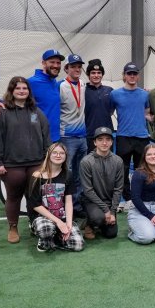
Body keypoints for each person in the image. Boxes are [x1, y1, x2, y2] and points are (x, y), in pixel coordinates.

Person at [0, 76, 50, 243]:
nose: (22, 91)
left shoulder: (36, 112)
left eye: (25, 88)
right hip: (11, 164)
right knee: (13, 197)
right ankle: (13, 227)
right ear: (12, 91)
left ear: (29, 91)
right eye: (18, 88)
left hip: (36, 162)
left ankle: (34, 223)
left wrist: (47, 159)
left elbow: (46, 136)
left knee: (34, 197)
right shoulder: (0, 112)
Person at [26, 143, 85, 252]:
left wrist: (68, 223)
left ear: (66, 156)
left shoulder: (68, 175)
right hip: (43, 217)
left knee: (78, 245)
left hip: (61, 216)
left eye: (62, 153)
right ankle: (44, 236)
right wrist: (58, 222)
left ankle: (54, 239)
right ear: (48, 155)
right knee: (46, 229)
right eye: (55, 153)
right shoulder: (37, 176)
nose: (58, 155)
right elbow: (35, 204)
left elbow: (68, 202)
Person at [111, 62, 151, 211]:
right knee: (123, 170)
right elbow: (108, 111)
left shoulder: (144, 94)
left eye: (134, 74)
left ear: (138, 76)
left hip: (141, 137)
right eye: (129, 73)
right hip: (123, 137)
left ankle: (141, 197)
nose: (132, 76)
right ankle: (126, 199)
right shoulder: (115, 94)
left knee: (143, 170)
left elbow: (147, 112)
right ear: (124, 76)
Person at [79, 127, 123, 239]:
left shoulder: (118, 161)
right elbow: (88, 191)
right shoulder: (86, 162)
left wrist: (112, 211)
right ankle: (91, 222)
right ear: (94, 142)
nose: (104, 142)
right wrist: (106, 210)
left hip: (109, 202)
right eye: (100, 139)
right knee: (98, 218)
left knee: (111, 234)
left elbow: (118, 188)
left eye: (108, 139)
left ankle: (97, 221)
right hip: (91, 201)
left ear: (112, 142)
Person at [59, 54, 88, 211]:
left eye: (79, 66)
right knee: (67, 174)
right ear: (66, 68)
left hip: (82, 137)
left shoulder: (83, 84)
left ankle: (77, 207)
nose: (77, 69)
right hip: (67, 138)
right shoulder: (61, 86)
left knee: (80, 173)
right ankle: (63, 206)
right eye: (73, 66)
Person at [84, 59, 114, 153]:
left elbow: (111, 110)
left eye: (99, 72)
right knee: (90, 163)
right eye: (93, 73)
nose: (96, 75)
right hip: (89, 134)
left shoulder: (109, 90)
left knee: (108, 162)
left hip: (107, 134)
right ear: (88, 75)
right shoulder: (82, 90)